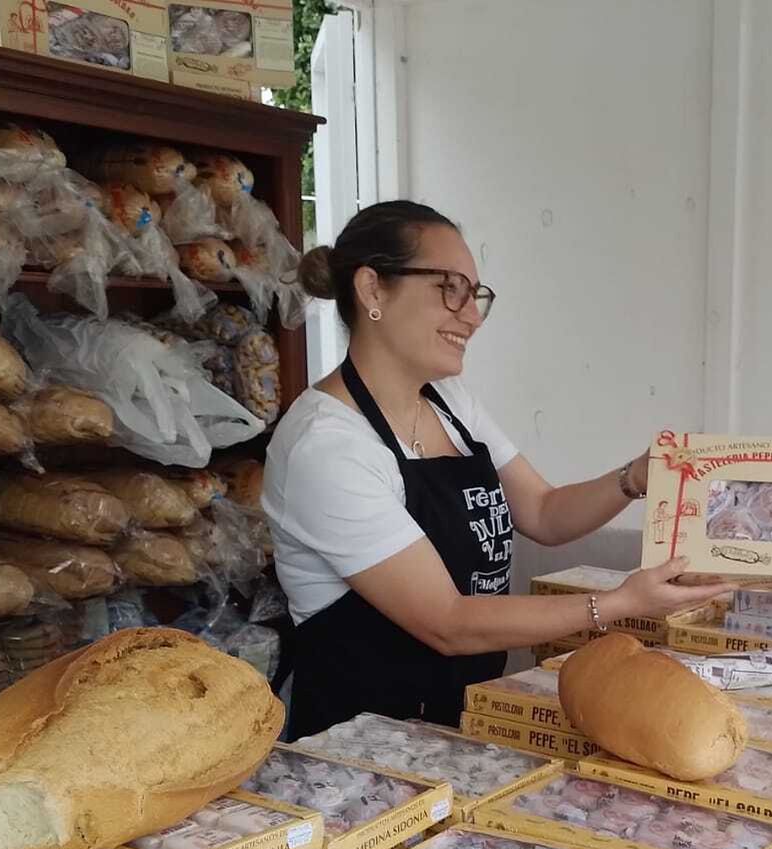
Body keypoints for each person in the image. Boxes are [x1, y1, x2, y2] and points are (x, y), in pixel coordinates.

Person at [269, 201, 728, 738]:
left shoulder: (447, 401)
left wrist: (636, 477)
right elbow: (447, 621)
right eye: (451, 289)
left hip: (459, 717)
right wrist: (621, 603)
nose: (472, 315)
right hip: (361, 744)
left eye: (476, 295)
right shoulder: (325, 445)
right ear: (372, 289)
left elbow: (544, 512)